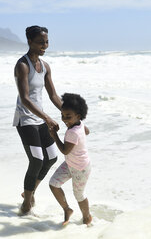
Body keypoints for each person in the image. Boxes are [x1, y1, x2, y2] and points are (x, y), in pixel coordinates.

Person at [13, 25, 62, 215]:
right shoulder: (22, 65)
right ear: (30, 42)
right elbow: (25, 98)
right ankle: (26, 205)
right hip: (25, 119)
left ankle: (29, 192)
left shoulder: (45, 66)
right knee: (36, 160)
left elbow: (54, 95)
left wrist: (72, 116)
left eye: (47, 42)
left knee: (51, 157)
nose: (44, 45)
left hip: (40, 118)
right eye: (41, 42)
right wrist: (48, 117)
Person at [49, 93, 92, 226]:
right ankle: (67, 209)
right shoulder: (79, 124)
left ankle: (87, 218)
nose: (64, 119)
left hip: (80, 168)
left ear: (78, 116)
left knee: (79, 194)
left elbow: (64, 150)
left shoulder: (72, 132)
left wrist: (54, 135)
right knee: (54, 184)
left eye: (68, 116)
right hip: (70, 163)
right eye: (62, 115)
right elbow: (87, 131)